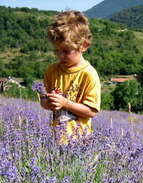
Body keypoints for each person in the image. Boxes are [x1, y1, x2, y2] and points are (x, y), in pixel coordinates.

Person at [40, 10, 101, 144]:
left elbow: (91, 111)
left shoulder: (89, 74)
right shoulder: (51, 71)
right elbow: (43, 101)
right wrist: (48, 103)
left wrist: (65, 103)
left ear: (83, 45)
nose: (60, 56)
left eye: (66, 51)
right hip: (55, 140)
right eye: (56, 50)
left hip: (80, 142)